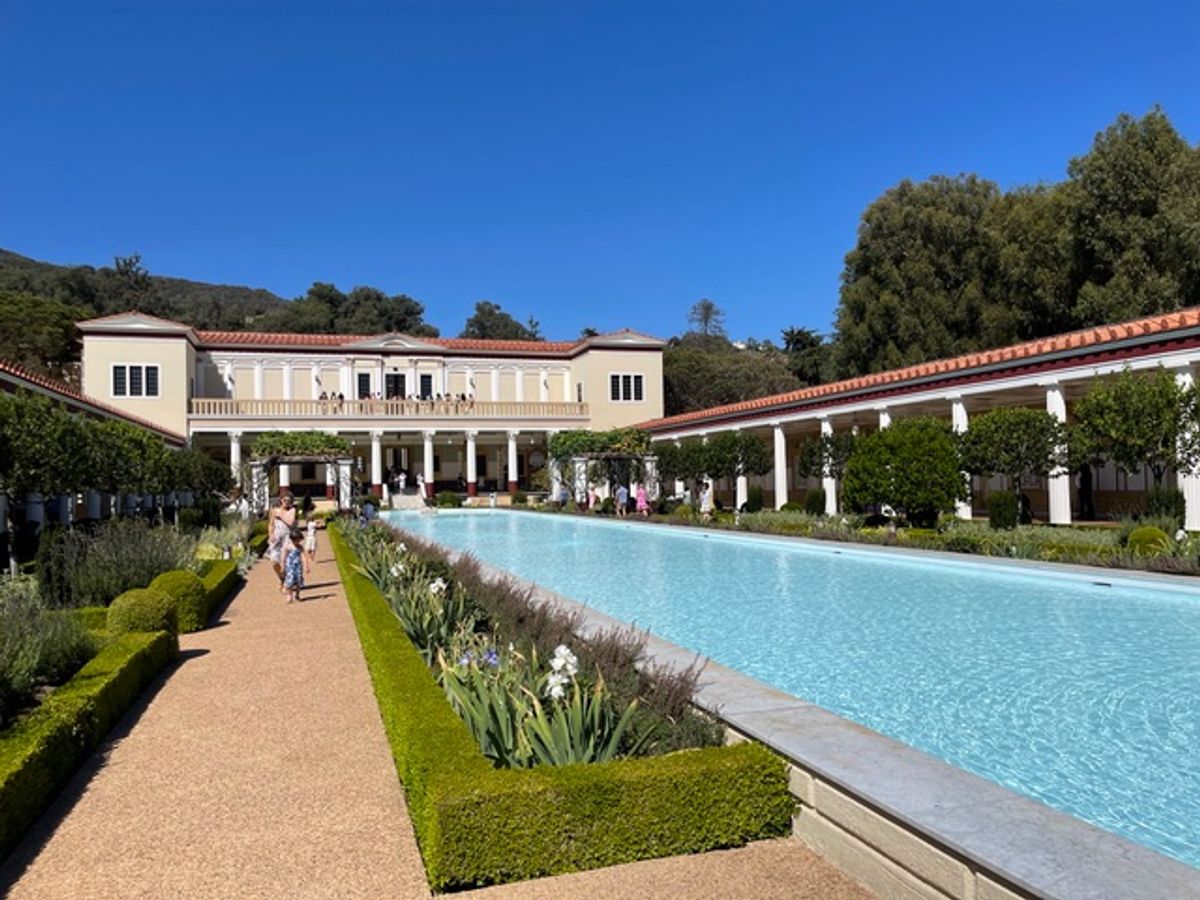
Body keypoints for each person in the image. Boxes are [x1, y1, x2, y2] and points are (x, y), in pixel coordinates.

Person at [266, 494, 297, 591]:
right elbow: (271, 524)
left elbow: (291, 522)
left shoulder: (292, 510)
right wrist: (270, 535)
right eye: (284, 500)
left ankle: (286, 582)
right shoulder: (275, 510)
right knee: (274, 561)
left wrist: (281, 516)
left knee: (286, 562)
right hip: (277, 539)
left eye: (289, 501)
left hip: (287, 538)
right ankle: (282, 578)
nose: (286, 502)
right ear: (281, 500)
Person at [283, 530, 309, 603]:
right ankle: (289, 595)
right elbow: (284, 556)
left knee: (298, 581)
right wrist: (283, 565)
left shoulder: (300, 547)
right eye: (297, 540)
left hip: (298, 566)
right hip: (290, 566)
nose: (299, 542)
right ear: (293, 539)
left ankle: (297, 595)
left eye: (299, 540)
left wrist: (306, 566)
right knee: (290, 580)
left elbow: (303, 557)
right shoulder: (288, 547)